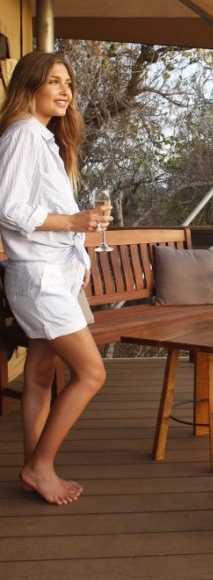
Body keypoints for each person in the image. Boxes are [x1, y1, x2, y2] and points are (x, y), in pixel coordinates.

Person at [0, 51, 112, 505]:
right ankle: (40, 465)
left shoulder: (42, 139)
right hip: (39, 280)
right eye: (54, 82)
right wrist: (74, 223)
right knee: (91, 373)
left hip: (51, 276)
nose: (65, 91)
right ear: (30, 86)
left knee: (41, 372)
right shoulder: (23, 135)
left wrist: (79, 254)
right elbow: (8, 207)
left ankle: (34, 467)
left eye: (68, 83)